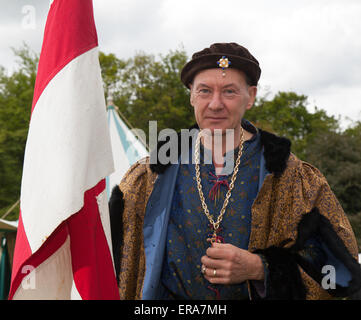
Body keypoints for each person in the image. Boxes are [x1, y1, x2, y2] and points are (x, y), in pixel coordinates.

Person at [109, 42, 361, 300]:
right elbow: (104, 251)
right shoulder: (149, 176)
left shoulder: (292, 177)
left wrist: (260, 267)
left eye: (229, 92)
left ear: (250, 96)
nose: (215, 104)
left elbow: (341, 266)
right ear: (191, 96)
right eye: (205, 91)